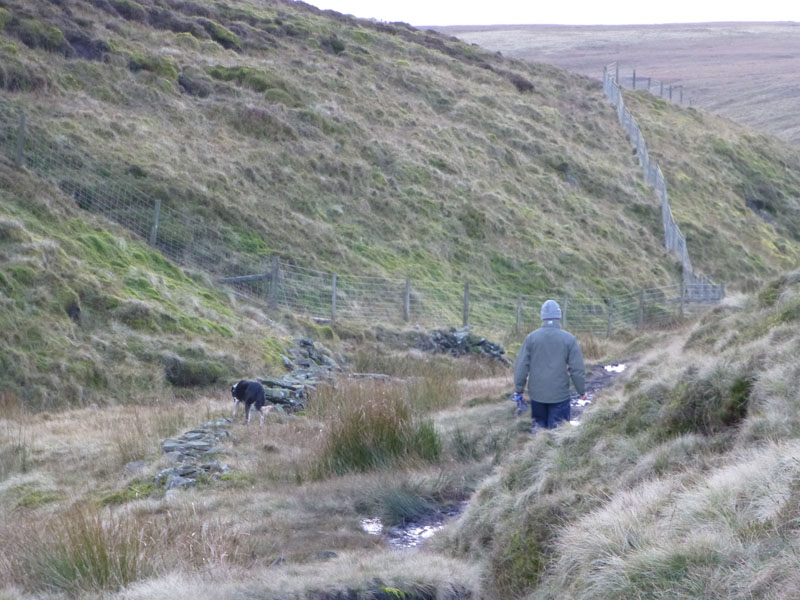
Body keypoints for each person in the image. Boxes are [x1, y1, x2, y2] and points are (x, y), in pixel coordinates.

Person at [513, 299, 586, 432]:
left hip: (537, 394)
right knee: (558, 432)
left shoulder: (531, 338)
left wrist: (519, 390)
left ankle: (535, 450)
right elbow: (577, 370)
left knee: (539, 429)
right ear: (559, 316)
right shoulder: (569, 339)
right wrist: (581, 391)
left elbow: (521, 366)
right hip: (560, 395)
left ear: (543, 317)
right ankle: (554, 452)